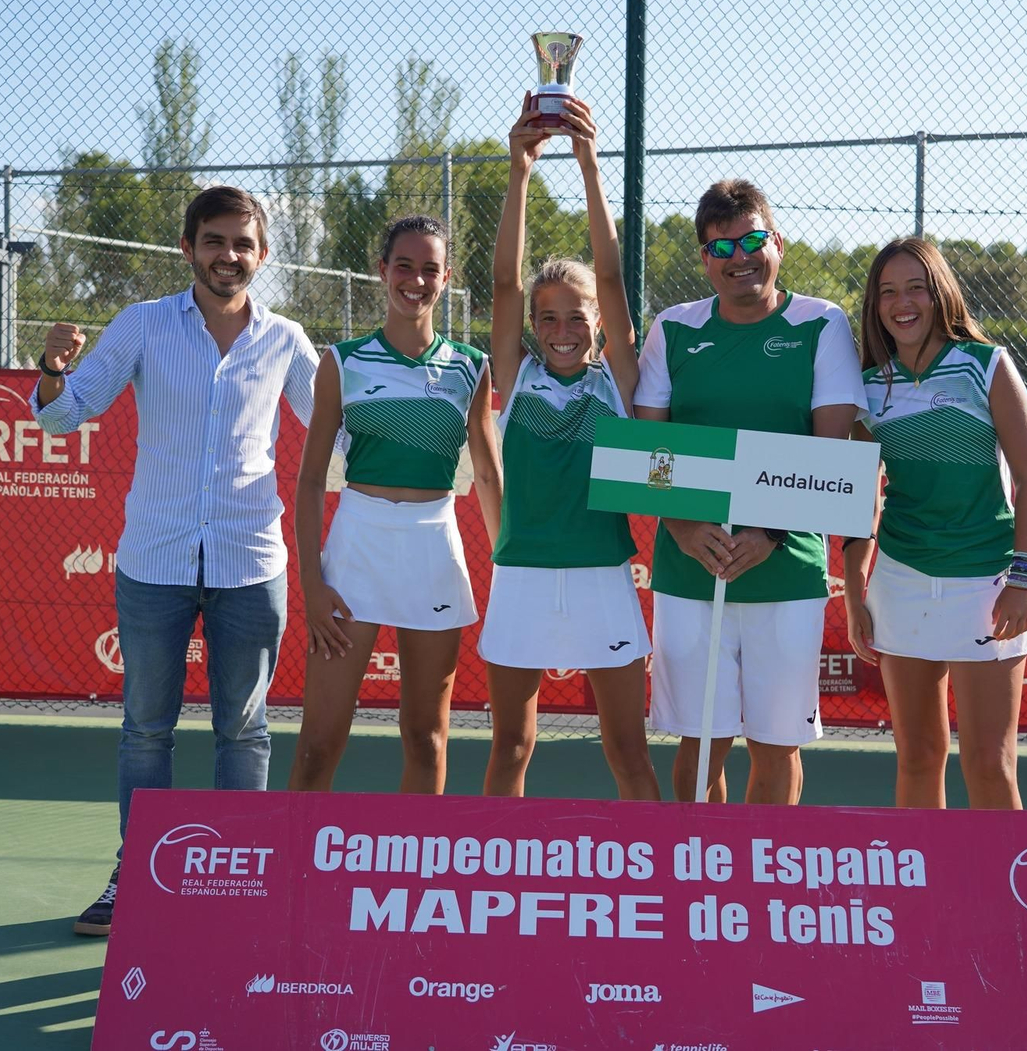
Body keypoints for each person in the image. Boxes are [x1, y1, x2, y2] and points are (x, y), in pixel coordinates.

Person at [32, 186, 318, 935]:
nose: (229, 256)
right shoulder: (143, 324)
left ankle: (238, 882)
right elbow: (65, 415)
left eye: (243, 244)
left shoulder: (287, 340)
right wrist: (52, 368)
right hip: (153, 562)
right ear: (188, 247)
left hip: (251, 563)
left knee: (245, 732)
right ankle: (137, 875)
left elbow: (339, 433)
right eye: (214, 241)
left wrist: (425, 436)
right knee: (146, 730)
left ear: (262, 255)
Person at [633, 179, 861, 804]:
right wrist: (684, 529)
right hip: (690, 569)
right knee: (700, 745)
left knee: (776, 747)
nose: (740, 258)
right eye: (721, 247)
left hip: (785, 568)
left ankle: (762, 868)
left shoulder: (822, 323)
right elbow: (648, 452)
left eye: (752, 241)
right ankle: (698, 863)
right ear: (705, 259)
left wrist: (769, 534)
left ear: (777, 243)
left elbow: (832, 452)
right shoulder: (672, 329)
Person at [477, 94, 660, 800]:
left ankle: (656, 867)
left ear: (600, 324)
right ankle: (498, 867)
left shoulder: (617, 380)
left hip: (602, 577)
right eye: (547, 318)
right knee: (510, 747)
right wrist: (518, 171)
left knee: (627, 751)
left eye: (576, 318)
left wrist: (589, 165)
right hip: (520, 577)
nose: (561, 330)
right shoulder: (516, 375)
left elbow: (610, 277)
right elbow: (503, 281)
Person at [287, 215, 502, 795]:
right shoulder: (342, 362)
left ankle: (418, 855)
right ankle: (298, 854)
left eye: (430, 269)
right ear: (382, 271)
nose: (416, 280)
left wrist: (509, 567)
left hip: (434, 547)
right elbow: (311, 481)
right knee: (317, 745)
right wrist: (311, 582)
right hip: (356, 548)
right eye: (403, 266)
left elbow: (487, 475)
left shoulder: (470, 366)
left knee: (426, 740)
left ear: (446, 278)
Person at [842, 236, 1027, 810]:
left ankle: (1004, 875)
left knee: (990, 765)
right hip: (901, 583)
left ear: (940, 295)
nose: (902, 303)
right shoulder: (868, 386)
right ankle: (924, 874)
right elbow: (860, 499)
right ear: (875, 304)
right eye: (888, 292)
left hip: (986, 584)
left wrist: (1022, 580)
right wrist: (854, 592)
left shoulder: (987, 365)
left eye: (916, 288)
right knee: (918, 757)